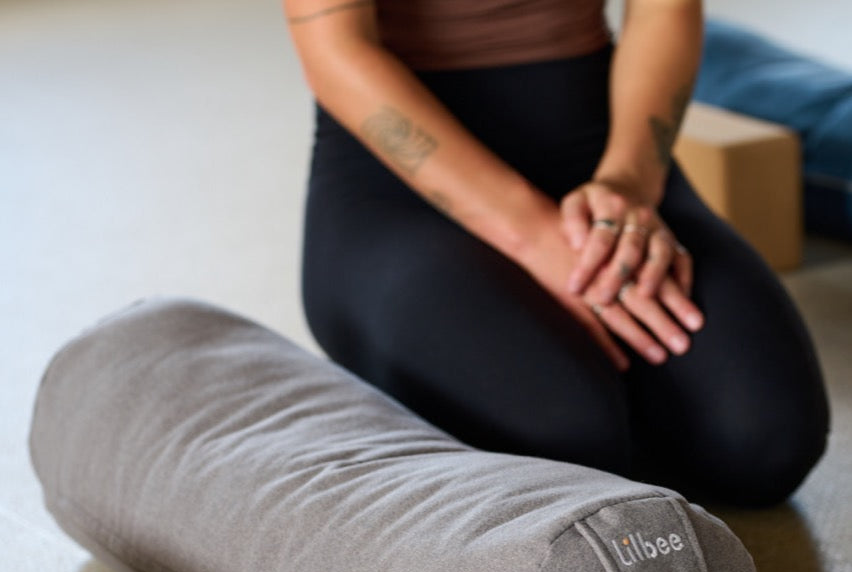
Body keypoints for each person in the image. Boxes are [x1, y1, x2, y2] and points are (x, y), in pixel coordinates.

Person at [284, 0, 829, 506]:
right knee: (569, 445)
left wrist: (628, 187)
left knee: (765, 444)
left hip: (595, 153)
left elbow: (664, 10)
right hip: (398, 186)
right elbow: (335, 49)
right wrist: (539, 239)